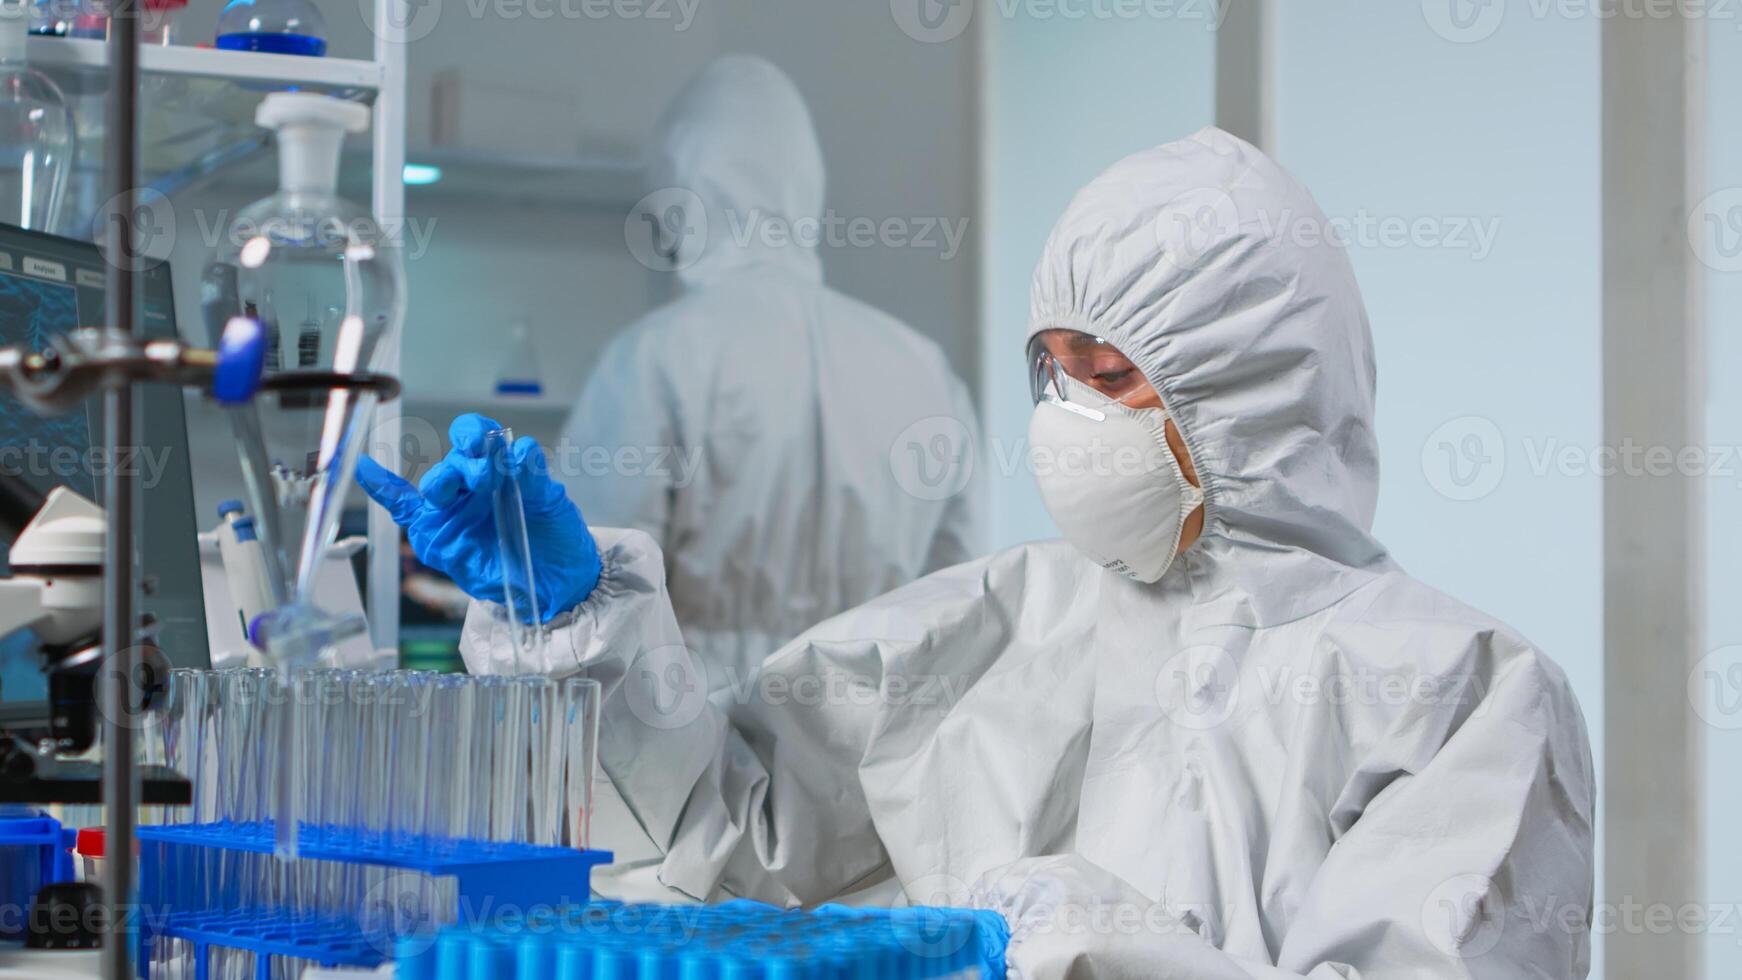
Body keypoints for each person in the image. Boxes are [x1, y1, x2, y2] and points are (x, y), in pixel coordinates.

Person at [357, 128, 1595, 978]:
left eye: (1114, 379)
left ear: (1255, 393)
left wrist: (1076, 938)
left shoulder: (1456, 693)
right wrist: (582, 633)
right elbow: (709, 851)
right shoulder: (1002, 621)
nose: (1070, 421)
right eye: (1055, 376)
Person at [555, 54, 981, 692]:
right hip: (870, 737)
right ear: (805, 183)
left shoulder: (655, 357)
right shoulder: (922, 366)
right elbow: (959, 600)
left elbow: (590, 601)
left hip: (688, 730)